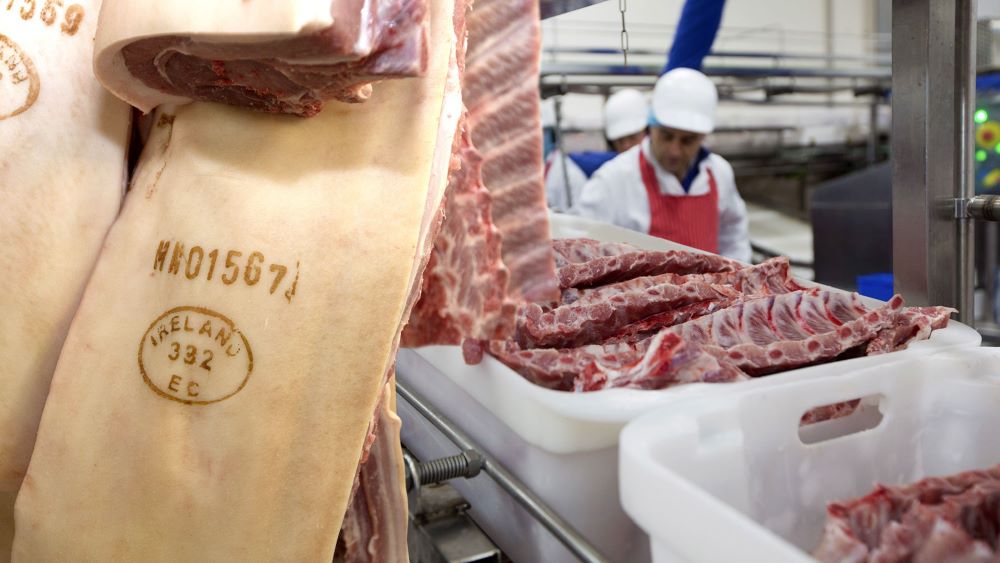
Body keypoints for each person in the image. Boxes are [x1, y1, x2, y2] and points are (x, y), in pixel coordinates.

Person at [572, 68, 751, 262]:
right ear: (650, 126)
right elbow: (582, 253)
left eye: (687, 141)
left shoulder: (718, 173)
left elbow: (734, 239)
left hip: (709, 291)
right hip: (641, 292)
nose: (674, 150)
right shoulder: (613, 180)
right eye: (666, 136)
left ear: (702, 138)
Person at [544, 89, 649, 212]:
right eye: (620, 141)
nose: (626, 146)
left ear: (648, 133)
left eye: (632, 137)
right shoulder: (608, 178)